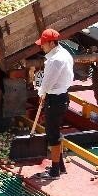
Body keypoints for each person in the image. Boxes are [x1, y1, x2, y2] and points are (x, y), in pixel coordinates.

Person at [35, 28, 75, 179]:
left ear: (52, 43)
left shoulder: (55, 60)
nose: (41, 47)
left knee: (53, 135)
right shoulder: (64, 53)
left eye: (44, 44)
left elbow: (47, 83)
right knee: (56, 131)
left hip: (54, 99)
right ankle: (61, 166)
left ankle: (54, 171)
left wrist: (41, 93)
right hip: (62, 96)